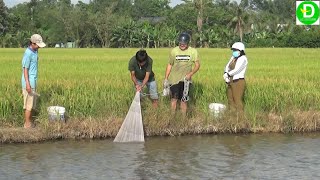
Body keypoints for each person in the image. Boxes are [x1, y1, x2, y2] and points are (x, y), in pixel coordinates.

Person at [164, 32, 200, 115]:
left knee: (184, 100)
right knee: (174, 98)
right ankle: (172, 116)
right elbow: (170, 65)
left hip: (186, 80)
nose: (182, 45)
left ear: (187, 43)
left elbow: (197, 65)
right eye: (180, 44)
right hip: (174, 80)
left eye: (184, 44)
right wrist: (166, 78)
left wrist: (191, 74)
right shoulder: (174, 51)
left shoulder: (193, 51)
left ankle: (183, 118)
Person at [21, 34, 46, 128]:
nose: (39, 47)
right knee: (28, 105)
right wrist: (27, 84)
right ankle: (27, 125)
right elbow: (25, 69)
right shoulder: (28, 54)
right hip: (28, 83)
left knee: (31, 105)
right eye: (38, 45)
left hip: (33, 81)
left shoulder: (35, 51)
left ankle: (29, 123)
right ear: (32, 43)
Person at [223, 42, 248, 113]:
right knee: (230, 99)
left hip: (238, 81)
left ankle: (240, 118)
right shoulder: (233, 58)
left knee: (237, 100)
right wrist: (225, 73)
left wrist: (228, 74)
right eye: (233, 50)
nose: (234, 52)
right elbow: (227, 66)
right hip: (231, 81)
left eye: (235, 50)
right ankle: (232, 116)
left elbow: (237, 70)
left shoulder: (243, 59)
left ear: (241, 50)